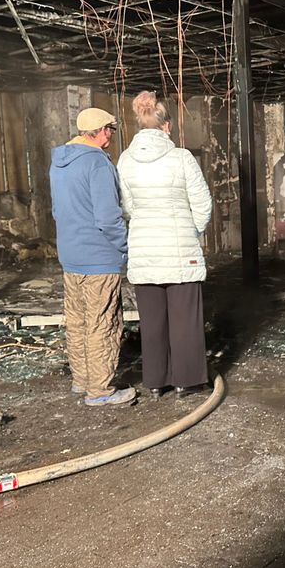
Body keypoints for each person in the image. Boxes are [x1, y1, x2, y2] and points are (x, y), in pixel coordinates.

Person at [117, 92, 212, 399]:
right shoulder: (181, 158)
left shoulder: (125, 160)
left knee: (153, 322)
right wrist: (192, 231)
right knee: (185, 319)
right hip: (181, 253)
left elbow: (127, 207)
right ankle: (188, 380)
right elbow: (203, 203)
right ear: (166, 126)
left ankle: (157, 381)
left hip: (144, 252)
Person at [50, 107, 136, 407]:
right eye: (110, 129)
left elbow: (57, 210)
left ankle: (82, 379)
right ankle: (99, 390)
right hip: (99, 257)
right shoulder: (97, 163)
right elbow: (108, 218)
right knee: (104, 323)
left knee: (78, 320)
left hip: (70, 255)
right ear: (101, 131)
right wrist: (127, 247)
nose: (111, 134)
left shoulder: (59, 162)